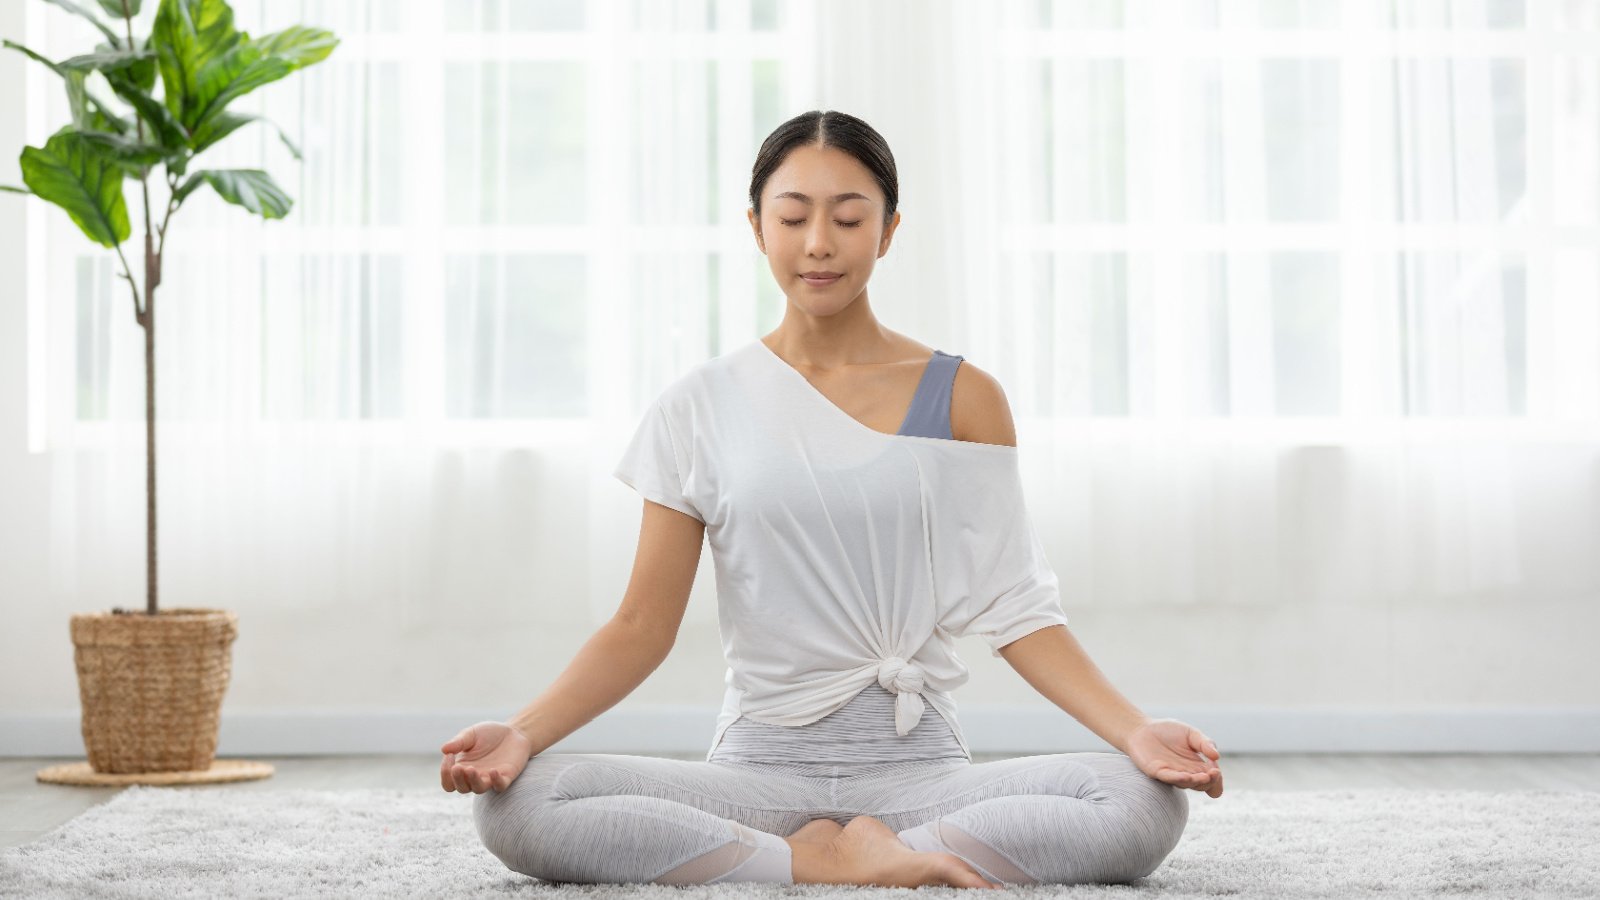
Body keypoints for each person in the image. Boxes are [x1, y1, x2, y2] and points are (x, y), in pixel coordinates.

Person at [439, 109, 1224, 889]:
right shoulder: (699, 405)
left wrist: (1135, 730)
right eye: (793, 217)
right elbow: (641, 625)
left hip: (920, 778)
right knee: (525, 802)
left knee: (1136, 801)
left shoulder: (962, 397)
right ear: (757, 228)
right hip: (757, 777)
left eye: (849, 219)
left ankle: (851, 851)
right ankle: (816, 857)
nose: (819, 243)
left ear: (887, 231)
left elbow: (1017, 607)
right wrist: (521, 732)